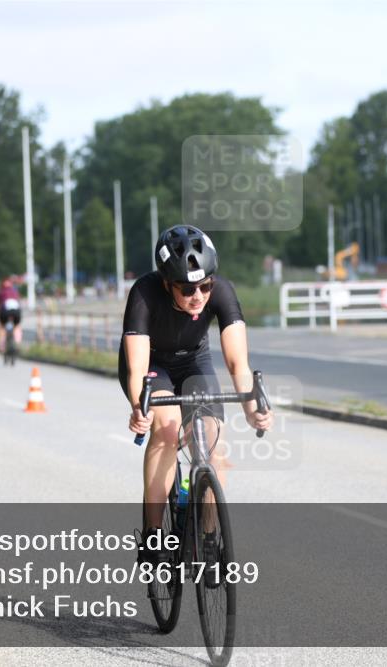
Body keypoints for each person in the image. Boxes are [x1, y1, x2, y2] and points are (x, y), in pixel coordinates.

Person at [120, 225, 273, 560]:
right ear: (166, 283)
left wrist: (250, 409)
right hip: (152, 366)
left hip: (193, 363)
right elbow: (136, 368)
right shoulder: (144, 293)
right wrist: (139, 407)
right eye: (187, 289)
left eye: (205, 286)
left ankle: (207, 537)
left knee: (213, 441)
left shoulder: (221, 292)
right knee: (167, 429)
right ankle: (153, 537)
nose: (198, 296)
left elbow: (237, 363)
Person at [0, 278, 22, 353]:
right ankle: (17, 344)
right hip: (16, 311)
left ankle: (1, 346)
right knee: (17, 326)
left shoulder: (1, 292)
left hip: (5, 311)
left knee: (2, 327)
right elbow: (18, 303)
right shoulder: (15, 291)